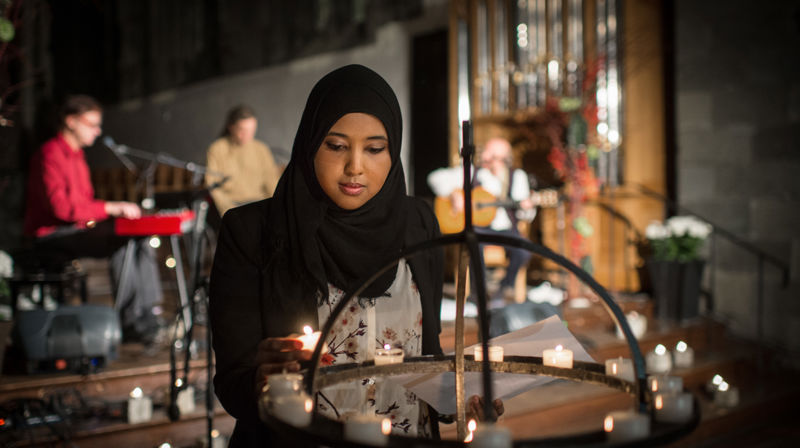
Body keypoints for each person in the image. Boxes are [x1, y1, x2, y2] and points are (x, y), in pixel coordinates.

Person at [209, 65, 502, 446]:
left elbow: (426, 355)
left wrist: (465, 399)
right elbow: (233, 384)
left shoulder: (416, 223)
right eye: (336, 146)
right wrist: (262, 380)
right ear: (311, 142)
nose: (355, 167)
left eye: (375, 149)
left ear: (392, 150)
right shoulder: (254, 231)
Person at [23, 94, 164, 346]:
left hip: (74, 229)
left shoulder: (78, 157)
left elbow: (83, 205)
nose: (98, 132)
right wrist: (111, 207)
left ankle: (148, 312)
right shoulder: (50, 154)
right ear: (71, 121)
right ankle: (130, 320)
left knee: (139, 234)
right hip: (51, 234)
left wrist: (106, 211)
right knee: (121, 239)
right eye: (92, 124)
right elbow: (63, 210)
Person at [427, 137, 535, 306]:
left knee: (524, 249)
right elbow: (435, 178)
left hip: (507, 229)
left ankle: (503, 290)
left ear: (505, 158)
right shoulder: (472, 172)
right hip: (480, 229)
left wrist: (527, 207)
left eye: (493, 156)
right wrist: (453, 195)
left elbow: (526, 214)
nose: (486, 158)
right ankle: (479, 294)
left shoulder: (517, 176)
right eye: (487, 153)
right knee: (474, 241)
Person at [205, 105, 282, 217]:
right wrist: (228, 211)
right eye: (242, 130)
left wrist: (276, 208)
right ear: (231, 127)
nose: (247, 135)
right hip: (232, 208)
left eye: (251, 129)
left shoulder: (261, 149)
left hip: (260, 206)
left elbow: (272, 184)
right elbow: (213, 186)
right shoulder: (217, 149)